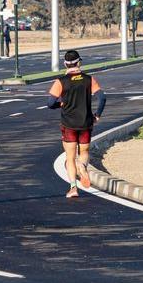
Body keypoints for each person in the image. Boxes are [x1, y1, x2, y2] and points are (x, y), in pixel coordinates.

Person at [47, 49, 106, 198]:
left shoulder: (60, 82)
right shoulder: (89, 79)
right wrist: (97, 115)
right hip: (86, 122)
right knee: (84, 152)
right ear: (79, 62)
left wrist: (60, 105)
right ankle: (83, 166)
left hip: (68, 124)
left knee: (70, 157)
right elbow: (102, 98)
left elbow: (50, 103)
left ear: (65, 64)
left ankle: (73, 188)